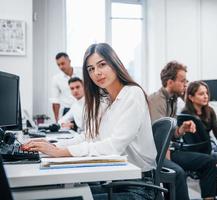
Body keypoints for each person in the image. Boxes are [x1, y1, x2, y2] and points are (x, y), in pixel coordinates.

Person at [25, 43, 157, 199]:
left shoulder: (132, 94)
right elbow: (89, 135)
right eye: (91, 69)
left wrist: (62, 153)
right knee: (54, 192)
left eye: (102, 65)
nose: (97, 73)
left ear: (115, 63)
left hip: (138, 185)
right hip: (111, 177)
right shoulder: (104, 100)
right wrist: (53, 146)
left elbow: (114, 146)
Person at [149, 61, 217, 200]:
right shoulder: (157, 100)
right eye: (182, 81)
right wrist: (168, 163)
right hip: (155, 154)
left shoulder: (173, 100)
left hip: (169, 151)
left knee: (209, 162)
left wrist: (181, 129)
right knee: (177, 172)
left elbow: (171, 133)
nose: (186, 84)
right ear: (170, 82)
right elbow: (158, 138)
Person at [181, 80, 217, 164]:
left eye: (206, 93)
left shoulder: (210, 111)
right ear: (191, 97)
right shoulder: (185, 114)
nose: (206, 96)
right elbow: (191, 142)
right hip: (194, 152)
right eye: (201, 94)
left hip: (208, 148)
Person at [50, 52, 82, 123]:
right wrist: (56, 120)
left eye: (63, 63)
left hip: (82, 108)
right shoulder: (56, 79)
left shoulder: (82, 73)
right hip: (67, 110)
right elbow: (55, 100)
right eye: (58, 65)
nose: (61, 67)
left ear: (69, 61)